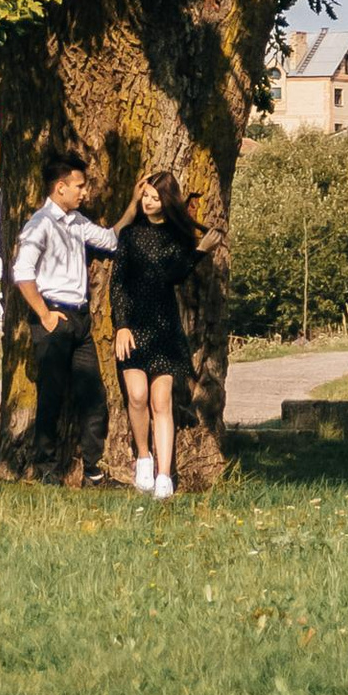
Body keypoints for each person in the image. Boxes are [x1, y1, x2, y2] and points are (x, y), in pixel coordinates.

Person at [12, 147, 119, 479]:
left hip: (80, 318)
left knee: (93, 394)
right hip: (54, 317)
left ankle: (93, 468)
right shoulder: (40, 224)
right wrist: (44, 314)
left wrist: (132, 206)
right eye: (79, 186)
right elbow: (22, 273)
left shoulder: (76, 222)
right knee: (52, 396)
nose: (84, 193)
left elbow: (111, 240)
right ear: (60, 187)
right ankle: (47, 469)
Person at [110, 173, 200, 497]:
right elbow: (118, 283)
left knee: (162, 401)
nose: (148, 202)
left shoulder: (178, 238)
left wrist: (199, 252)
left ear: (167, 201)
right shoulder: (130, 235)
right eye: (145, 195)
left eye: (155, 197)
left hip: (164, 328)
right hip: (133, 327)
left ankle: (164, 475)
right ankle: (143, 458)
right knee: (137, 396)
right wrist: (121, 325)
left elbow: (172, 276)